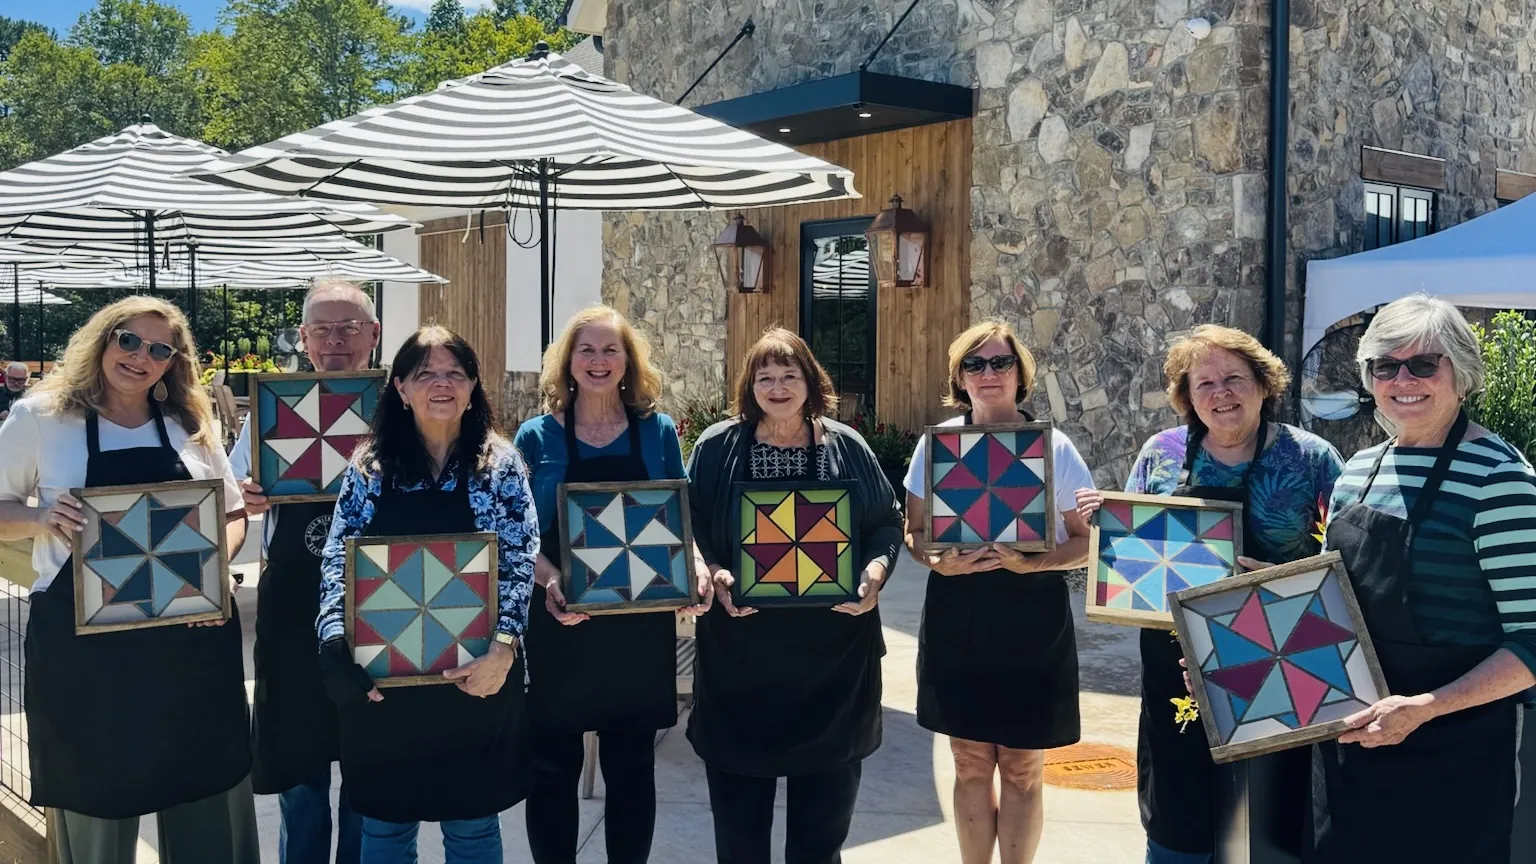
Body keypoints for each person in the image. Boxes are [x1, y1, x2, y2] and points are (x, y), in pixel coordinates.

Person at [0, 297, 257, 863]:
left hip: (191, 644)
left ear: (173, 362)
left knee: (206, 795)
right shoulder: (41, 418)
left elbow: (231, 514)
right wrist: (41, 517)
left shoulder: (190, 424)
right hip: (87, 655)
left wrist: (215, 571)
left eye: (160, 349)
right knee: (97, 800)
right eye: (129, 340)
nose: (141, 356)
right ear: (102, 338)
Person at [1076, 324, 1344, 864]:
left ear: (1264, 385)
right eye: (1204, 384)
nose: (1220, 393)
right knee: (1180, 817)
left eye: (1234, 379)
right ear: (1186, 397)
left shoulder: (1313, 460)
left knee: (1270, 820)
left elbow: (1343, 576)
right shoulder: (1161, 454)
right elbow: (1134, 557)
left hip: (1279, 660)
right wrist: (1106, 528)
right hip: (1176, 664)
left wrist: (1278, 584)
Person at [1307, 295, 1536, 863]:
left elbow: (1532, 642)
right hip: (1354, 743)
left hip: (1453, 753)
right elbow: (1339, 605)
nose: (1403, 379)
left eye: (1424, 364)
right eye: (1386, 365)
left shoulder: (1501, 481)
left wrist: (1425, 708)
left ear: (1462, 374)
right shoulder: (1357, 470)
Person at [315, 324, 537, 864]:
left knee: (474, 828)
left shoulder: (500, 465)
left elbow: (519, 558)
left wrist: (504, 648)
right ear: (400, 388)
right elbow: (337, 560)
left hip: (475, 672)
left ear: (472, 385)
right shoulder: (370, 467)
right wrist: (334, 639)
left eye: (454, 374)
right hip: (387, 680)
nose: (442, 385)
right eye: (426, 374)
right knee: (386, 831)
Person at [686, 327, 902, 864]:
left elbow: (886, 525)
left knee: (819, 840)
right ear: (749, 385)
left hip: (835, 669)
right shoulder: (717, 447)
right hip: (740, 666)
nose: (777, 387)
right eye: (765, 377)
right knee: (739, 840)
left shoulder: (847, 447)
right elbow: (686, 526)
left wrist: (875, 572)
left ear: (811, 382)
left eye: (789, 375)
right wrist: (709, 568)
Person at [900, 320, 1095, 864]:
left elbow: (1085, 542)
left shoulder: (1054, 448)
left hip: (1032, 618)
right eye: (975, 364)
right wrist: (939, 564)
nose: (988, 374)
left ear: (1020, 374)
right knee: (968, 762)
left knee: (1023, 766)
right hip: (956, 614)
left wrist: (1034, 566)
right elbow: (914, 533)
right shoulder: (936, 446)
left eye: (1001, 363)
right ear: (959, 377)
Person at [515, 306, 696, 864]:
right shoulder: (535, 435)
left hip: (637, 627)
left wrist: (696, 572)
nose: (598, 361)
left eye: (609, 350)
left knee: (632, 768)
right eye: (586, 350)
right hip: (559, 616)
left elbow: (678, 519)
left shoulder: (657, 431)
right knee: (550, 768)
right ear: (567, 360)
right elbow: (518, 533)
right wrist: (548, 582)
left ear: (628, 362)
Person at [231, 280, 380, 864]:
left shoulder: (397, 407)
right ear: (303, 338)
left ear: (374, 335)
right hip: (292, 606)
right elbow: (231, 503)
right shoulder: (272, 409)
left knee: (368, 769)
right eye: (322, 329)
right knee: (300, 772)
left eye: (349, 328)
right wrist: (247, 497)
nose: (335, 341)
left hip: (378, 603)